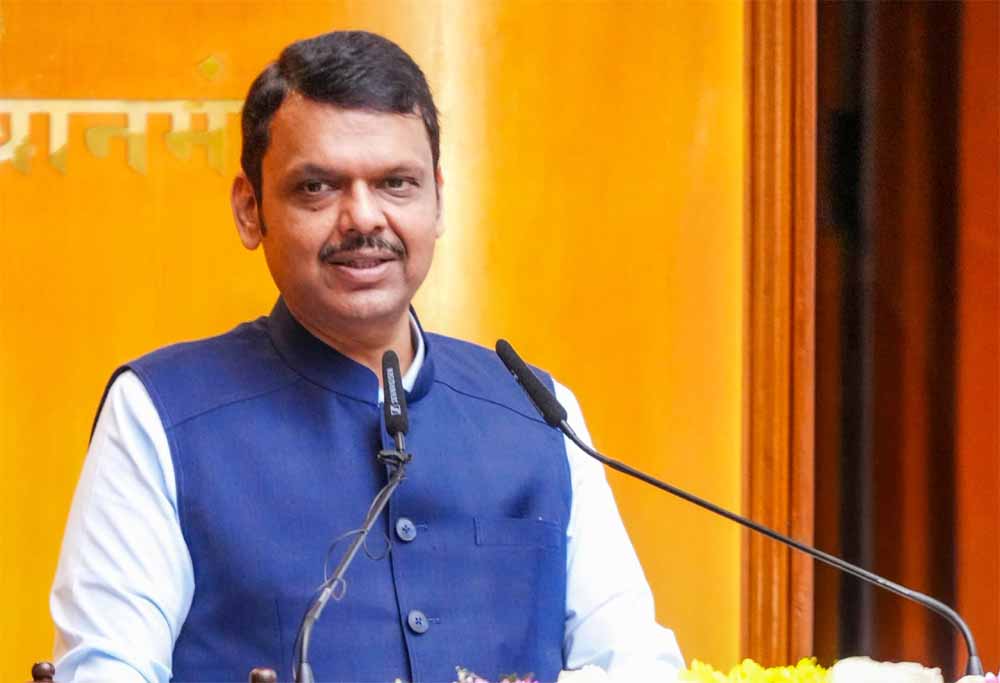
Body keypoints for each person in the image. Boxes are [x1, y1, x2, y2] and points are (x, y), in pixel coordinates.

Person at [50, 30, 684, 683]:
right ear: (250, 210)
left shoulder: (537, 412)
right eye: (317, 187)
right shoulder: (161, 413)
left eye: (396, 183)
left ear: (438, 200)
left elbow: (638, 662)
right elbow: (105, 671)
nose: (363, 218)